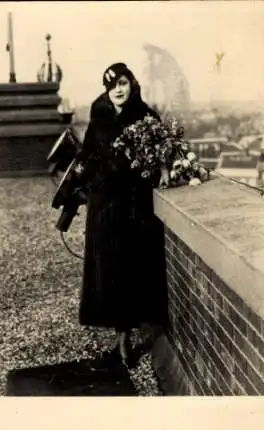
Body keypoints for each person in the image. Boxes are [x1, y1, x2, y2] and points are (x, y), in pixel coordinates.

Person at [77, 62, 169, 368]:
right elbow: (87, 156)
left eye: (122, 83)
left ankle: (125, 340)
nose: (117, 89)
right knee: (109, 272)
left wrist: (163, 169)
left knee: (131, 271)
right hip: (104, 207)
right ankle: (121, 338)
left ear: (132, 84)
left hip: (133, 207)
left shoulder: (146, 116)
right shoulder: (99, 118)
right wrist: (93, 181)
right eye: (112, 85)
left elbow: (162, 151)